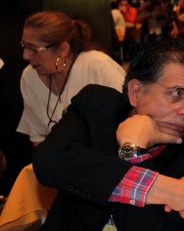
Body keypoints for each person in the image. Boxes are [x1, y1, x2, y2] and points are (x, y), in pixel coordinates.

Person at [26, 39, 184, 231]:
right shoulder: (96, 107)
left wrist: (133, 150)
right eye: (177, 93)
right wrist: (168, 189)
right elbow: (48, 162)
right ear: (135, 92)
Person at [17, 11, 125, 145]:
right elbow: (38, 140)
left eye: (33, 49)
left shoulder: (98, 66)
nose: (25, 56)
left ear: (63, 49)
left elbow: (134, 116)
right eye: (24, 46)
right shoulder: (29, 77)